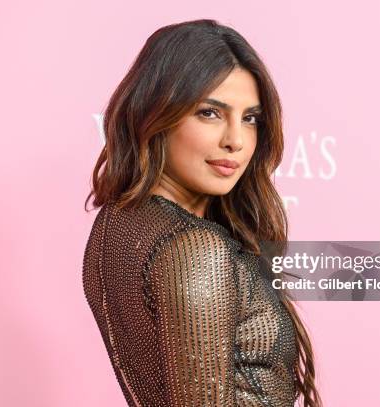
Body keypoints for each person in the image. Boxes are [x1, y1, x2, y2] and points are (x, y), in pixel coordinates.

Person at [82, 19, 322, 407]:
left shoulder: (117, 224)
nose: (236, 141)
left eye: (251, 119)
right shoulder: (194, 250)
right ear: (156, 113)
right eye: (210, 113)